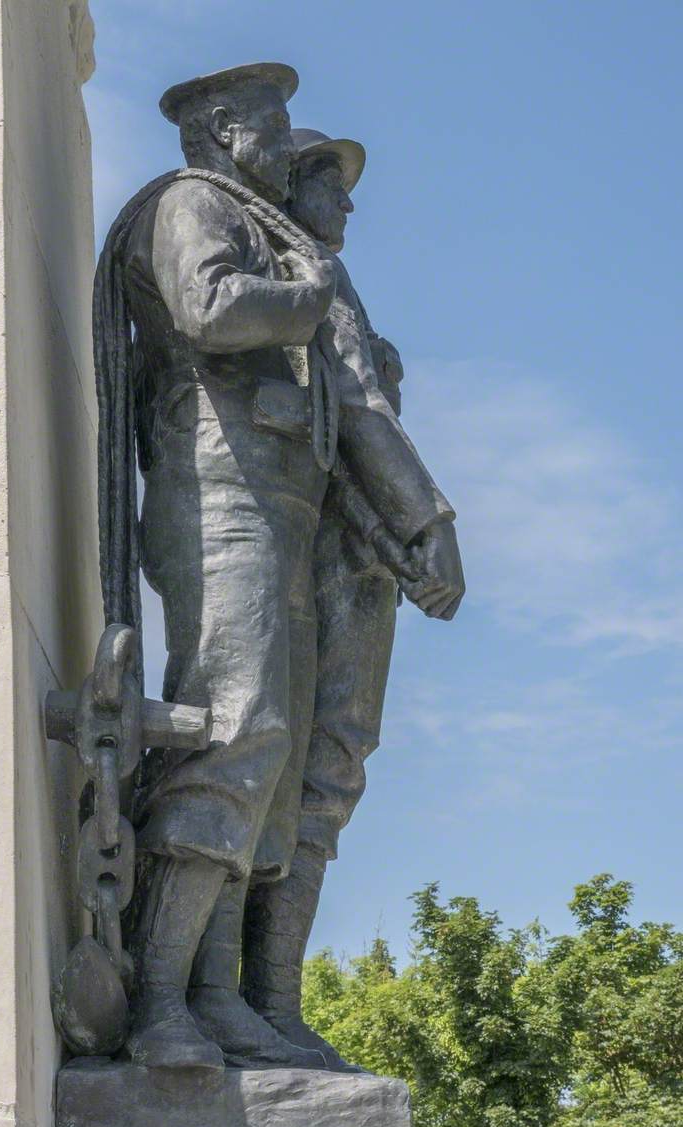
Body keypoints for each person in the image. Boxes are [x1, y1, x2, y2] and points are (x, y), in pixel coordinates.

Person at [96, 63, 464, 1072]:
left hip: (281, 500)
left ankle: (223, 1001)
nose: (292, 142)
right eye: (277, 126)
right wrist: (308, 299)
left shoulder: (262, 225)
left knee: (278, 754)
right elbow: (207, 309)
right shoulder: (192, 204)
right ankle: (163, 1002)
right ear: (227, 128)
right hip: (219, 485)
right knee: (237, 726)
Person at [241, 130, 455, 1070]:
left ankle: (272, 1004)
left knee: (328, 770)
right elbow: (354, 422)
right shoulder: (307, 273)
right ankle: (264, 1005)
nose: (349, 206)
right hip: (325, 549)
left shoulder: (316, 280)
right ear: (295, 188)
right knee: (309, 769)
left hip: (355, 559)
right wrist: (420, 526)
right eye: (333, 185)